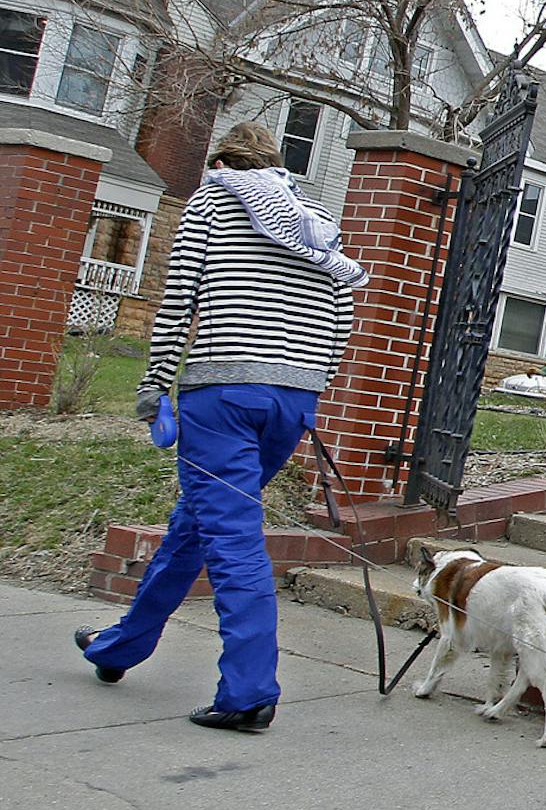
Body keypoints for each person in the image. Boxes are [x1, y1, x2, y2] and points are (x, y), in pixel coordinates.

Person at [75, 123, 364, 731]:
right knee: (198, 524)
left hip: (222, 396)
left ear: (222, 162)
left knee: (232, 541)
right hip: (291, 401)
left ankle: (248, 691)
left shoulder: (210, 203)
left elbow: (180, 297)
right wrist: (317, 381)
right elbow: (344, 303)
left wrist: (154, 384)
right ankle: (119, 646)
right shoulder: (310, 218)